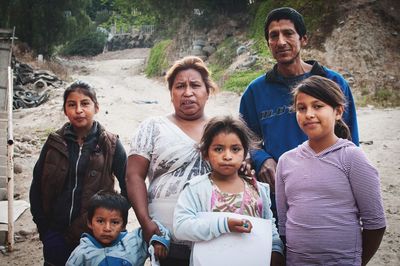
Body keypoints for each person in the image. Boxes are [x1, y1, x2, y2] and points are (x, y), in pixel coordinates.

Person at [239, 7, 359, 218]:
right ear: (268, 44)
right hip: (278, 195)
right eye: (273, 36)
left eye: (288, 33)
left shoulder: (333, 83)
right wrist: (262, 158)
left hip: (328, 192)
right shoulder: (255, 92)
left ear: (303, 39)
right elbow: (246, 139)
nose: (281, 41)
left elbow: (350, 140)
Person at [275, 76, 386, 265]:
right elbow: (283, 223)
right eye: (302, 108)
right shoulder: (286, 161)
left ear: (338, 111)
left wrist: (357, 261)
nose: (309, 113)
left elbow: (375, 223)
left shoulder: (352, 157)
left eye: (317, 106)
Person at [125, 56, 219, 265]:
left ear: (207, 91)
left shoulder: (221, 129)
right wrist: (146, 222)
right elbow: (134, 176)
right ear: (171, 93)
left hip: (214, 240)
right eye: (179, 86)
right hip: (165, 243)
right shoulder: (153, 127)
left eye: (195, 85)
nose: (187, 92)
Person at [29, 80, 128, 266]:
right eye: (72, 105)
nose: (78, 110)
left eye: (85, 103)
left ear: (96, 107)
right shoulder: (54, 143)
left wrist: (113, 224)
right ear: (65, 110)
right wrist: (44, 227)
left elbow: (128, 186)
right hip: (55, 233)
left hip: (94, 238)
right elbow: (36, 186)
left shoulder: (111, 145)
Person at [173, 115, 284, 265]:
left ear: (245, 153)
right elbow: (181, 227)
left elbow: (269, 225)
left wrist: (276, 249)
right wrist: (224, 225)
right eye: (218, 149)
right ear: (205, 153)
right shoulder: (197, 189)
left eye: (235, 149)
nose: (227, 156)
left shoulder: (257, 189)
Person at [66, 190, 170, 266]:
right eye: (100, 221)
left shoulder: (134, 242)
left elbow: (156, 228)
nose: (107, 228)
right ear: (89, 223)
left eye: (115, 222)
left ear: (123, 225)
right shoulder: (82, 253)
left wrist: (158, 242)